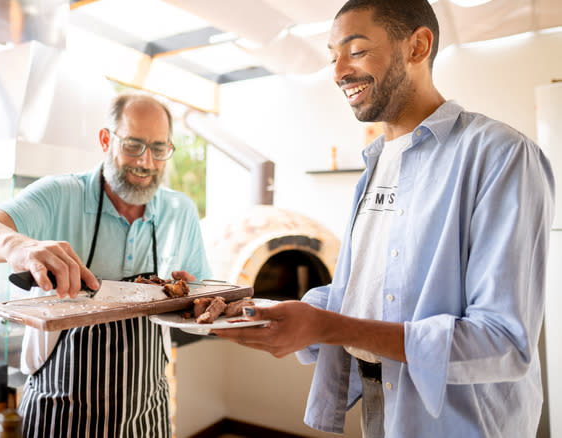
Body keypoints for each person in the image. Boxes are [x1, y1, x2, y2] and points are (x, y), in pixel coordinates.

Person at [213, 1, 555, 437]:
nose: (337, 71)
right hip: (380, 400)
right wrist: (272, 309)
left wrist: (330, 326)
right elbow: (371, 292)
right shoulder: (377, 162)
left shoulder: (500, 155)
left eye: (355, 51)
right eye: (332, 55)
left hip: (463, 423)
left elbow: (503, 342)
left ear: (418, 46)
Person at [0, 92, 211, 438]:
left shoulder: (180, 212)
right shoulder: (59, 194)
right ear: (106, 140)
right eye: (133, 145)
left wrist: (192, 299)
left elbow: (204, 304)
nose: (147, 162)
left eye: (159, 148)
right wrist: (17, 245)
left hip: (147, 411)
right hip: (58, 413)